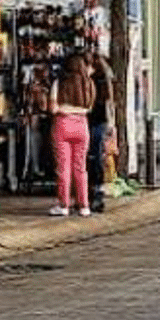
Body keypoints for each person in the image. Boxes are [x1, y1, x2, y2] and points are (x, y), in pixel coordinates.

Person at [49, 53, 96, 217]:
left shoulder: (59, 83)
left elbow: (53, 109)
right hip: (82, 125)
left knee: (63, 168)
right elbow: (89, 108)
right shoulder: (88, 83)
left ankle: (63, 205)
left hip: (63, 124)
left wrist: (63, 108)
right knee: (80, 167)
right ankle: (84, 205)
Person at [87, 53, 113, 213]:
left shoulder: (93, 81)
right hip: (100, 122)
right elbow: (109, 104)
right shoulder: (104, 81)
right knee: (96, 157)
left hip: (92, 122)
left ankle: (93, 193)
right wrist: (112, 125)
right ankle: (97, 192)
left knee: (92, 157)